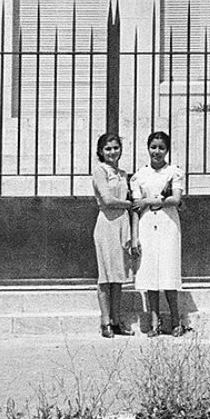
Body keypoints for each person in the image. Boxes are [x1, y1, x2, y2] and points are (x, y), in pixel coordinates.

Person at [131, 130, 188, 336]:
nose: (157, 152)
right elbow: (136, 207)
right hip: (147, 225)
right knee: (150, 274)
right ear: (148, 149)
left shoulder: (174, 172)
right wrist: (135, 236)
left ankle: (176, 321)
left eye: (161, 148)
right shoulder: (140, 175)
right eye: (153, 147)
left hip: (168, 224)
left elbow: (175, 199)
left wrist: (149, 201)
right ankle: (154, 322)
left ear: (167, 150)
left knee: (168, 272)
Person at [91, 132, 137, 338]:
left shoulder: (123, 174)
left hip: (122, 223)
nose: (112, 152)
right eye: (108, 148)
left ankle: (116, 320)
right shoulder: (99, 170)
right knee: (105, 275)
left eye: (115, 148)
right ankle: (105, 321)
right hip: (107, 222)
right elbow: (108, 200)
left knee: (118, 276)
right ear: (101, 151)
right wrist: (129, 204)